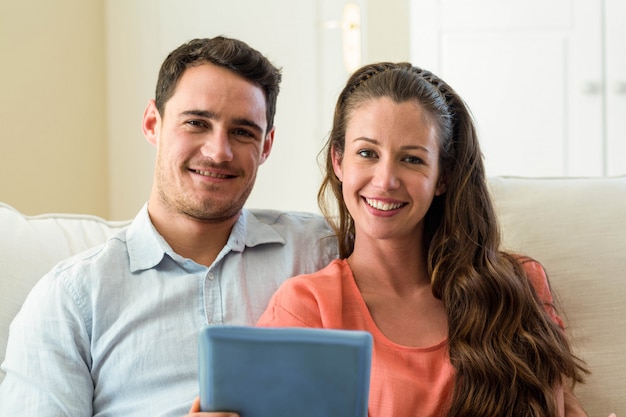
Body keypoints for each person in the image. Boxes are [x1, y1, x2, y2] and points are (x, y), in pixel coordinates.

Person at [0, 36, 337, 416]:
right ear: (152, 124)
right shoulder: (71, 300)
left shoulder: (321, 252)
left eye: (243, 132)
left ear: (267, 146)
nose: (218, 152)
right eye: (196, 123)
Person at [255, 62, 598, 417]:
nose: (386, 179)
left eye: (412, 159)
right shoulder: (307, 309)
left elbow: (561, 407)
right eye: (367, 153)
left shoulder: (517, 285)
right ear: (339, 161)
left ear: (442, 177)